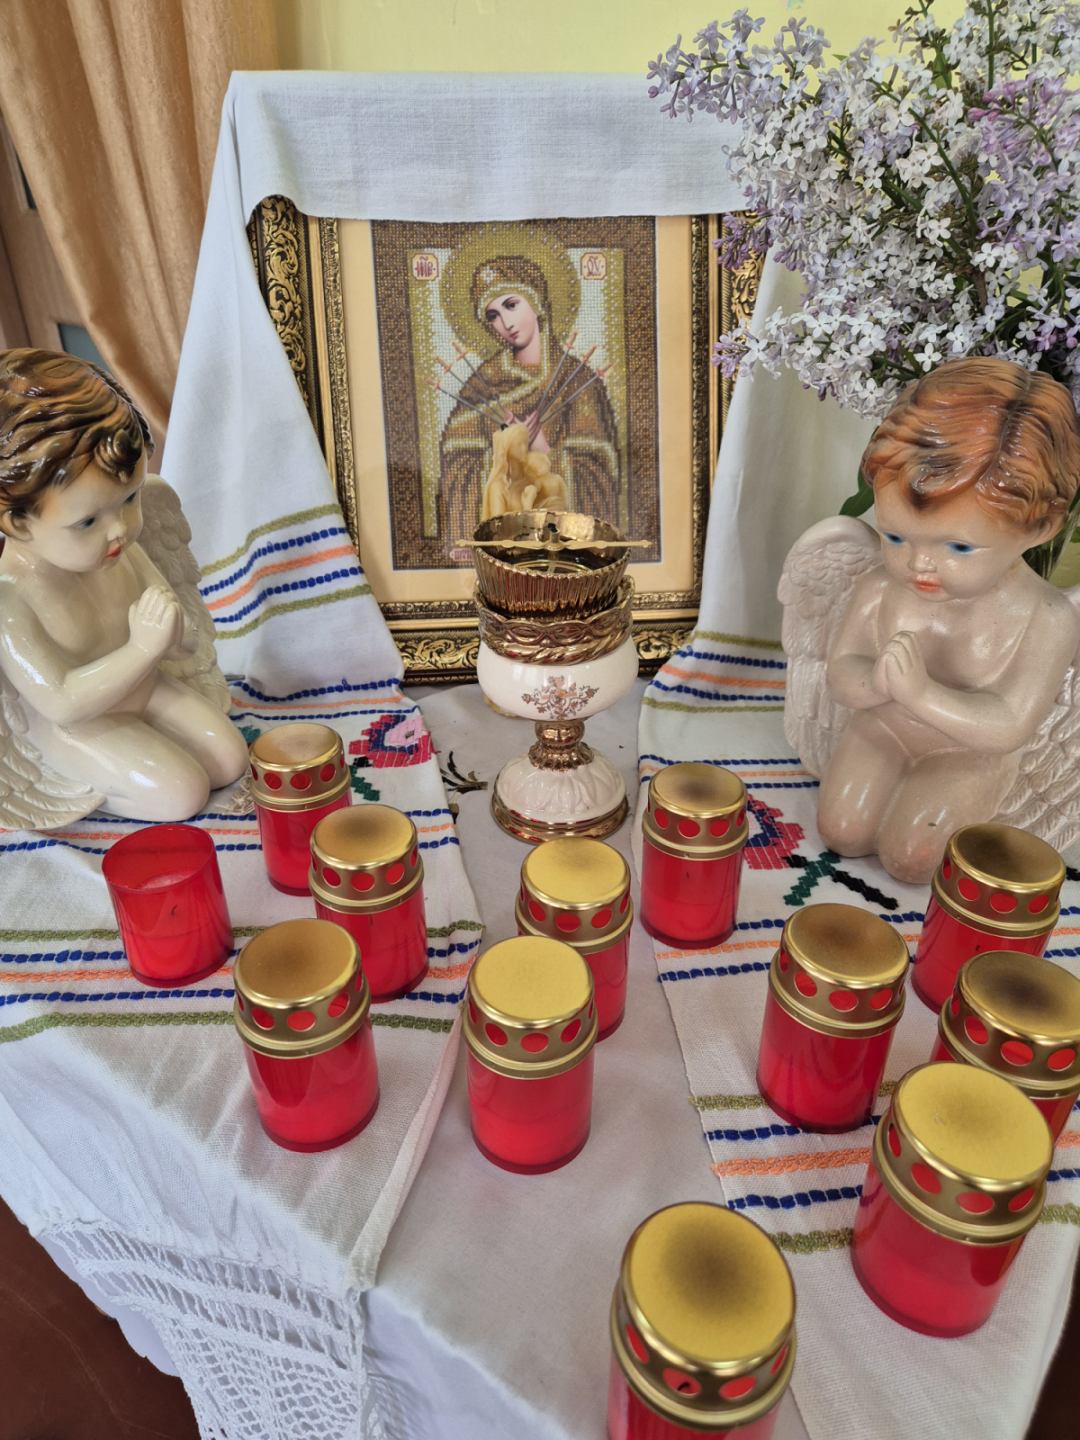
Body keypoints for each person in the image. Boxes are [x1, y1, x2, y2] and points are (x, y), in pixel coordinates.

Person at [816, 357, 1080, 882]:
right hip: (882, 730)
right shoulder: (880, 588)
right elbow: (841, 671)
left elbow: (1008, 726)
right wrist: (873, 683)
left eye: (958, 546)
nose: (918, 564)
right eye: (895, 536)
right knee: (842, 829)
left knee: (913, 858)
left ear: (1040, 527)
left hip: (966, 754)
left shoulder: (1045, 618)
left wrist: (920, 694)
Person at [0, 349, 247, 821]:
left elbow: (180, 640)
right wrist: (142, 649)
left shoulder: (118, 552)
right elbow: (62, 702)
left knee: (230, 757)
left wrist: (172, 635)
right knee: (181, 792)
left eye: (130, 499)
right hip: (81, 726)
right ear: (18, 523)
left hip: (146, 688)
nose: (119, 529)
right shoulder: (11, 598)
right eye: (87, 521)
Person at [439, 253, 620, 550]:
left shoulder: (575, 379)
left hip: (562, 541)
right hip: (504, 534)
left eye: (511, 305)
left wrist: (542, 449)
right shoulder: (482, 382)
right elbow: (457, 460)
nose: (505, 323)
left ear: (535, 301)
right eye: (493, 315)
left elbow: (599, 467)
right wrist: (506, 451)